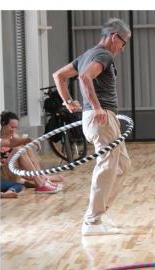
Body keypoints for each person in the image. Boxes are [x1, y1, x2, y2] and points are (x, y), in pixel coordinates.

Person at [53, 18, 131, 236]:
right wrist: (96, 108)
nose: (122, 50)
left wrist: (69, 102)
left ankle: (100, 213)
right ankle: (92, 221)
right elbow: (85, 78)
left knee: (123, 166)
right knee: (107, 166)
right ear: (115, 37)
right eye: (123, 44)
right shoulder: (103, 54)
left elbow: (58, 76)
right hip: (101, 118)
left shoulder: (87, 54)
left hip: (105, 118)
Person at [0, 111, 63, 194]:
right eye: (12, 127)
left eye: (16, 127)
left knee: (26, 147)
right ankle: (40, 182)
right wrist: (28, 140)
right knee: (19, 149)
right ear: (4, 124)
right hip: (2, 175)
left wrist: (29, 141)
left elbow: (16, 142)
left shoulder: (14, 136)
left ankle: (41, 178)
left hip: (15, 172)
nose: (14, 130)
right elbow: (9, 143)